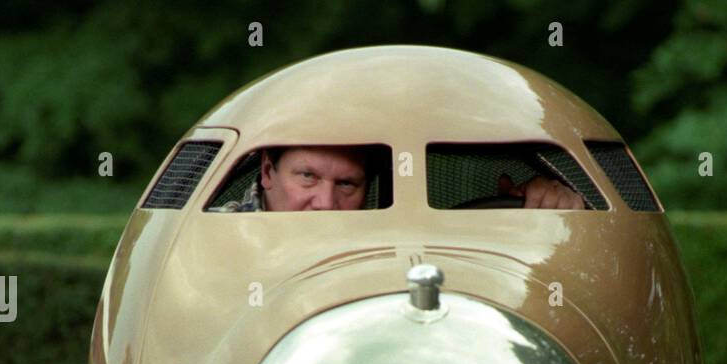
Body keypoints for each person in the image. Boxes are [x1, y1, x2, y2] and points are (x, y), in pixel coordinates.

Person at [212, 145, 584, 211]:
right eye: (308, 177)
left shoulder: (392, 242)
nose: (326, 203)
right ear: (266, 172)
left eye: (346, 184)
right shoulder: (213, 248)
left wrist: (547, 205)